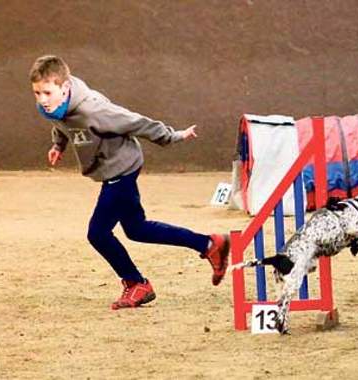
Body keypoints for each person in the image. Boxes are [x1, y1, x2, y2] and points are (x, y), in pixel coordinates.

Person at [29, 55, 230, 310]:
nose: (42, 100)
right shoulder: (57, 106)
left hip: (121, 169)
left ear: (65, 87)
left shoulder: (95, 110)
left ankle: (137, 283)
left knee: (98, 233)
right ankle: (210, 244)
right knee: (137, 229)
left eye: (47, 92)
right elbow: (63, 124)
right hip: (111, 169)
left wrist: (174, 136)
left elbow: (137, 122)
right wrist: (59, 145)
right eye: (37, 93)